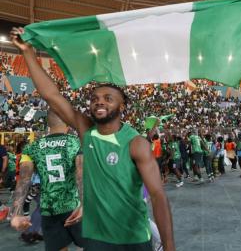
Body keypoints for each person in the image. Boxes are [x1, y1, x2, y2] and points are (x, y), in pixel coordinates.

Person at [10, 27, 174, 251]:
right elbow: (52, 95)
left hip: (132, 238)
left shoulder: (136, 144)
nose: (100, 102)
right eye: (95, 98)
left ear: (122, 106)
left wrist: (170, 246)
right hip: (96, 238)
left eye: (108, 98)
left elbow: (157, 196)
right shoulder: (86, 130)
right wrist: (27, 51)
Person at [10, 110, 84, 250]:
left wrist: (16, 213)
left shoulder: (32, 148)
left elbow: (24, 180)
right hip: (74, 206)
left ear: (48, 125)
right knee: (89, 245)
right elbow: (81, 174)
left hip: (49, 210)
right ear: (68, 124)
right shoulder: (76, 143)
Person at [0, 144, 10, 220]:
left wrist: (2, 172)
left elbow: (5, 159)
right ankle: (3, 208)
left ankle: (3, 209)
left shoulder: (1, 147)